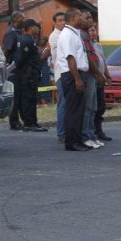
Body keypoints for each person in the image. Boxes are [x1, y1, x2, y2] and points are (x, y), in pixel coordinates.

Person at [57, 8, 90, 151]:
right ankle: (71, 142)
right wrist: (77, 79)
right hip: (72, 75)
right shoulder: (67, 35)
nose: (82, 19)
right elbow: (70, 58)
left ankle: (77, 139)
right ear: (72, 18)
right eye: (79, 17)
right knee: (73, 110)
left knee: (79, 109)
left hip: (78, 74)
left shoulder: (74, 33)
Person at [13, 19, 48, 132]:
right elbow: (20, 60)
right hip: (28, 75)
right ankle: (28, 123)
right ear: (30, 27)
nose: (38, 29)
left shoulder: (30, 40)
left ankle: (33, 122)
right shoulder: (26, 40)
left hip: (32, 74)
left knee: (33, 99)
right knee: (28, 99)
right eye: (36, 27)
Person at [80, 11, 106, 149]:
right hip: (89, 74)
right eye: (87, 17)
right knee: (88, 107)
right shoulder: (82, 36)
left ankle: (92, 134)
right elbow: (88, 58)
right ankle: (86, 135)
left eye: (91, 18)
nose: (90, 20)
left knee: (94, 107)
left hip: (94, 76)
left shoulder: (90, 39)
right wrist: (98, 73)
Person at [89, 24, 113, 141]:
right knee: (93, 106)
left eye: (94, 30)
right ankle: (92, 131)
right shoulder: (87, 45)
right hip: (93, 78)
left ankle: (99, 131)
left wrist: (107, 75)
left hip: (101, 79)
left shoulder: (98, 45)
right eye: (90, 30)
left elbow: (103, 61)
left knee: (101, 106)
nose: (92, 33)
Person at [3, 11, 25, 130]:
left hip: (18, 69)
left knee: (19, 95)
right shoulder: (10, 33)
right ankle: (14, 121)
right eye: (22, 18)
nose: (24, 21)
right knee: (15, 96)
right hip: (12, 70)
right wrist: (5, 69)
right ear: (16, 19)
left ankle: (18, 120)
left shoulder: (17, 32)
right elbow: (6, 51)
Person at [48, 11, 66, 143]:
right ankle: (61, 133)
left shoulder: (66, 34)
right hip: (61, 74)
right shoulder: (55, 36)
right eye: (59, 20)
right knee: (63, 104)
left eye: (64, 20)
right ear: (54, 23)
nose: (62, 23)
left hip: (67, 73)